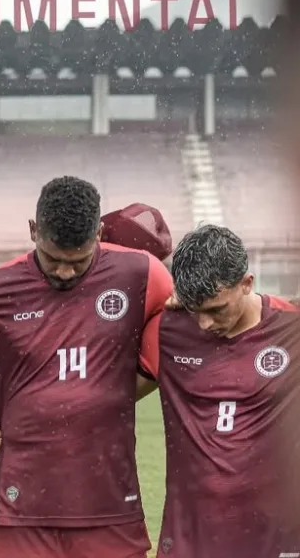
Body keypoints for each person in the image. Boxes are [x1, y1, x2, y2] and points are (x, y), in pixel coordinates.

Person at [0, 177, 173, 558]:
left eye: (78, 261)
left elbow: (176, 351)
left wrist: (78, 410)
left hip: (110, 499)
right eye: (54, 259)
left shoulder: (144, 276)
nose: (65, 273)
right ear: (33, 231)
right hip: (24, 503)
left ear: (99, 233)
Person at [134, 225, 300, 558]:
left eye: (216, 309)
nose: (205, 324)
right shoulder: (168, 328)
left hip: (275, 538)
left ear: (247, 284)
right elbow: (103, 393)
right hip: (190, 537)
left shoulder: (290, 327)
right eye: (196, 310)